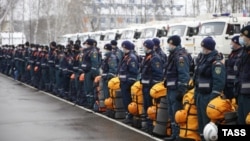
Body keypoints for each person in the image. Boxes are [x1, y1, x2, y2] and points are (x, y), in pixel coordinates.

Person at [193, 36, 225, 140]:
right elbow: (197, 77)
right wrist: (195, 94)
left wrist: (213, 97)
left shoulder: (216, 61)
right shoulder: (202, 58)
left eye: (204, 47)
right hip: (200, 95)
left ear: (209, 48)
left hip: (208, 96)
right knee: (201, 122)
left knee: (208, 123)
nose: (202, 49)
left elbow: (218, 81)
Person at [164, 35, 191, 141]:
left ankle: (179, 135)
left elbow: (184, 74)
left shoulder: (180, 56)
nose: (168, 46)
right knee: (171, 112)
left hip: (176, 89)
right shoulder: (172, 55)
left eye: (170, 44)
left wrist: (182, 90)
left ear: (174, 44)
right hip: (170, 88)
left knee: (177, 112)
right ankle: (174, 135)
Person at [140, 39, 164, 133]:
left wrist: (153, 85)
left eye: (145, 47)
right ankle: (147, 125)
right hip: (145, 86)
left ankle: (151, 126)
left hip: (150, 87)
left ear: (148, 47)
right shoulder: (147, 57)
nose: (143, 48)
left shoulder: (155, 58)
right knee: (146, 106)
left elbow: (158, 74)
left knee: (151, 107)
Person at [118, 40, 140, 124]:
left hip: (127, 82)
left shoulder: (131, 58)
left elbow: (133, 71)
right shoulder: (125, 57)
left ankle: (130, 116)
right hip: (123, 82)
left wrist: (129, 82)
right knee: (125, 100)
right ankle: (128, 115)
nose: (123, 49)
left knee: (128, 100)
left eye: (124, 47)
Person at [81, 38, 101, 108]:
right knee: (87, 88)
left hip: (90, 72)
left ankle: (92, 104)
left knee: (90, 88)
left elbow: (94, 62)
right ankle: (89, 102)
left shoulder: (93, 51)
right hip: (87, 71)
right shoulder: (87, 51)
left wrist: (94, 73)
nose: (85, 45)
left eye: (86, 44)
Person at [236, 25, 250, 124]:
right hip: (241, 93)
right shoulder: (244, 51)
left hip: (248, 95)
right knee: (241, 121)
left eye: (242, 35)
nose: (240, 38)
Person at [224, 35, 243, 99]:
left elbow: (236, 66)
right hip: (228, 83)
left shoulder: (241, 53)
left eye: (232, 42)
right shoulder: (233, 53)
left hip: (234, 83)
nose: (230, 44)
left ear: (236, 43)